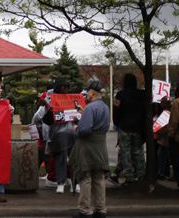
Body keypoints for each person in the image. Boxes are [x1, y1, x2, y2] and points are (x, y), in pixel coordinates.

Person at [70, 81, 110, 218]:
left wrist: (75, 128)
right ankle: (101, 209)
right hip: (100, 147)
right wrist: (83, 112)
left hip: (87, 147)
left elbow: (85, 130)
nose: (86, 94)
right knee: (99, 178)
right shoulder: (105, 107)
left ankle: (85, 210)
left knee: (85, 178)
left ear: (92, 93)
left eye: (87, 92)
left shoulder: (90, 108)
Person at [42, 79, 76, 194]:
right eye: (63, 87)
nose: (65, 90)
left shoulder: (72, 99)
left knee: (73, 158)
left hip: (71, 131)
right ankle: (61, 182)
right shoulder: (50, 99)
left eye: (66, 87)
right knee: (60, 158)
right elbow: (46, 116)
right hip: (58, 132)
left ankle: (74, 182)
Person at [113, 73, 146, 186]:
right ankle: (141, 174)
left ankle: (129, 177)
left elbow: (116, 112)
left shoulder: (120, 95)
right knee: (138, 151)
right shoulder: (142, 94)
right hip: (138, 128)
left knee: (125, 152)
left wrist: (117, 123)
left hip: (125, 127)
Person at [165, 86, 179, 189]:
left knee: (176, 159)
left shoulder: (176, 103)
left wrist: (170, 133)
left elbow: (175, 121)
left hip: (177, 138)